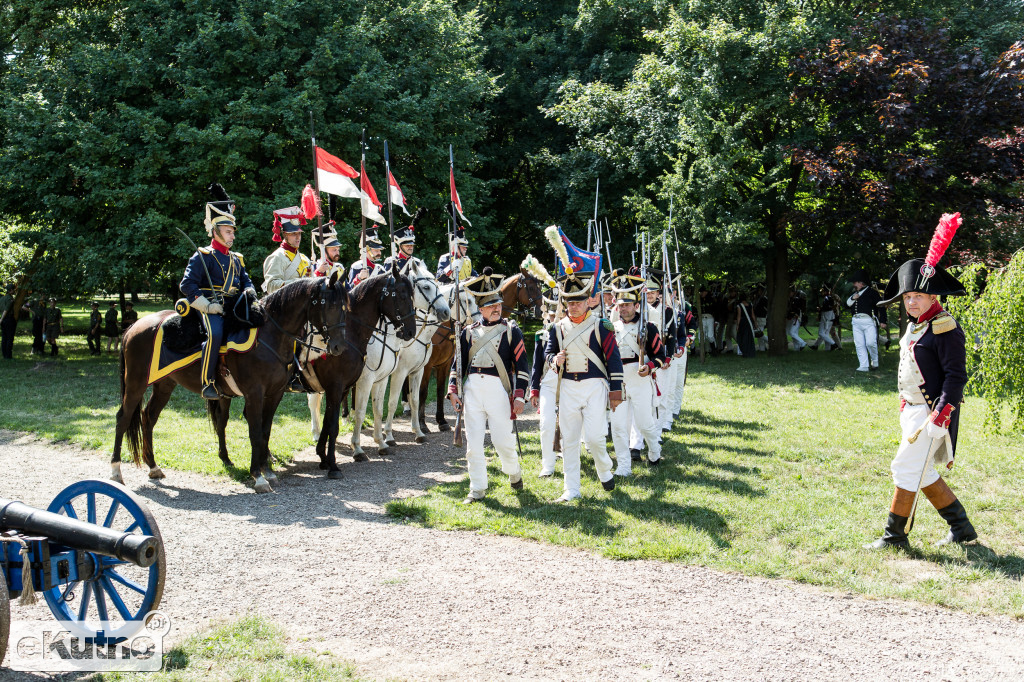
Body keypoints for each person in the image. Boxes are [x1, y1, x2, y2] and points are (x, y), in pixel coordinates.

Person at [865, 214, 975, 549]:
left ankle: (894, 536)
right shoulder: (916, 324)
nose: (911, 301)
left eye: (917, 296)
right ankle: (963, 530)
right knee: (923, 472)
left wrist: (941, 415)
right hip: (911, 409)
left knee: (903, 467)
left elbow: (956, 376)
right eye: (907, 296)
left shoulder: (945, 326)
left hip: (931, 412)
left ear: (931, 298)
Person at [448, 267, 530, 503]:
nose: (496, 309)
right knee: (473, 446)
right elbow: (457, 365)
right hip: (473, 392)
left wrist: (519, 396)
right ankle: (477, 488)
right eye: (490, 305)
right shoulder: (467, 333)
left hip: (498, 392)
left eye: (498, 304)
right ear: (480, 308)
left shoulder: (512, 331)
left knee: (502, 441)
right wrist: (453, 390)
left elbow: (522, 367)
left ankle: (514, 472)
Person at [544, 269, 623, 502]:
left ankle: (604, 468)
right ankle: (571, 489)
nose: (574, 305)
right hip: (568, 386)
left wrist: (616, 391)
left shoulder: (602, 326)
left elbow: (613, 359)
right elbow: (548, 353)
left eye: (578, 301)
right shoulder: (557, 328)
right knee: (569, 441)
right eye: (570, 301)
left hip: (595, 386)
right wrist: (553, 360)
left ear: (587, 300)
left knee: (596, 439)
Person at [180, 183, 255, 400]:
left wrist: (250, 294)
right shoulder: (202, 256)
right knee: (215, 334)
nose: (232, 236)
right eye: (228, 232)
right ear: (215, 231)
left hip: (234, 306)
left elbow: (246, 281)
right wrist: (208, 306)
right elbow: (187, 286)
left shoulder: (236, 259)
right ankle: (208, 382)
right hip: (210, 307)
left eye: (232, 232)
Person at [610, 270, 666, 476]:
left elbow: (661, 355)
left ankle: (654, 451)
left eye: (627, 304)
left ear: (636, 305)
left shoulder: (648, 327)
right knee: (617, 426)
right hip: (618, 380)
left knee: (644, 423)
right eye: (621, 305)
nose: (623, 308)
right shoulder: (610, 328)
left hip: (640, 378)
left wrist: (649, 367)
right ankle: (624, 466)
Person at [530, 294, 561, 477]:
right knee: (546, 424)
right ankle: (548, 465)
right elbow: (536, 364)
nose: (553, 318)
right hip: (548, 381)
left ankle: (565, 452)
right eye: (550, 315)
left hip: (569, 382)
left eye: (556, 314)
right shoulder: (541, 335)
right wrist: (534, 389)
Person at [262, 206, 311, 295]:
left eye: (299, 233)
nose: (297, 237)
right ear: (285, 235)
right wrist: (298, 283)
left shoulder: (305, 258)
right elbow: (271, 286)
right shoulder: (277, 257)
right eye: (293, 234)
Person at [846, 269, 886, 372]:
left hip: (868, 321)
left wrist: (883, 320)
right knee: (859, 344)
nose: (853, 284)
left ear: (861, 282)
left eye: (855, 282)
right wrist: (853, 298)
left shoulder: (872, 293)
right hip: (856, 322)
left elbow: (881, 307)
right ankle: (863, 365)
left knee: (870, 343)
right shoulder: (854, 293)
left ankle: (875, 361)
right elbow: (846, 304)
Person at [810, 285, 838, 351]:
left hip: (826, 317)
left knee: (821, 333)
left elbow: (827, 308)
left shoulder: (827, 298)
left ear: (826, 291)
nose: (821, 293)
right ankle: (823, 348)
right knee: (826, 334)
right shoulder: (829, 298)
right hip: (829, 317)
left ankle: (834, 344)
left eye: (823, 291)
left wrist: (820, 309)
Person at [734, 291, 757, 358]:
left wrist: (737, 325)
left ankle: (745, 352)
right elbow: (753, 315)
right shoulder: (750, 304)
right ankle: (750, 352)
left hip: (742, 323)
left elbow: (739, 316)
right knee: (749, 338)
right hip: (749, 323)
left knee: (742, 338)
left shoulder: (739, 305)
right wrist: (755, 323)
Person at [0, 283, 15, 359]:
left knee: (4, 337)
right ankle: (8, 356)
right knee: (9, 338)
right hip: (8, 319)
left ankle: (4, 354)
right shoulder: (10, 299)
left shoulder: (2, 298)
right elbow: (6, 310)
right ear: (11, 290)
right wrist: (1, 319)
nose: (14, 290)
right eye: (13, 289)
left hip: (3, 319)